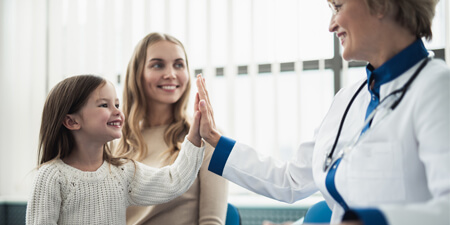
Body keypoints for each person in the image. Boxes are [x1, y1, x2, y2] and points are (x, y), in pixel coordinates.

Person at [193, 0, 450, 224]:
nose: (331, 25)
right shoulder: (347, 99)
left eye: (337, 7)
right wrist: (214, 138)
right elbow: (291, 180)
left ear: (381, 4)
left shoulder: (436, 87)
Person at [26, 75, 205, 224]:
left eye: (117, 105)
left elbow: (174, 181)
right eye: (104, 105)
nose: (118, 112)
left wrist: (195, 137)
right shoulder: (51, 177)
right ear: (72, 121)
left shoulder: (123, 173)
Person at [114, 32, 228, 225]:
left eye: (179, 64)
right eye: (157, 65)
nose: (171, 74)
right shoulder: (115, 142)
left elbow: (212, 221)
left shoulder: (207, 137)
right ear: (137, 74)